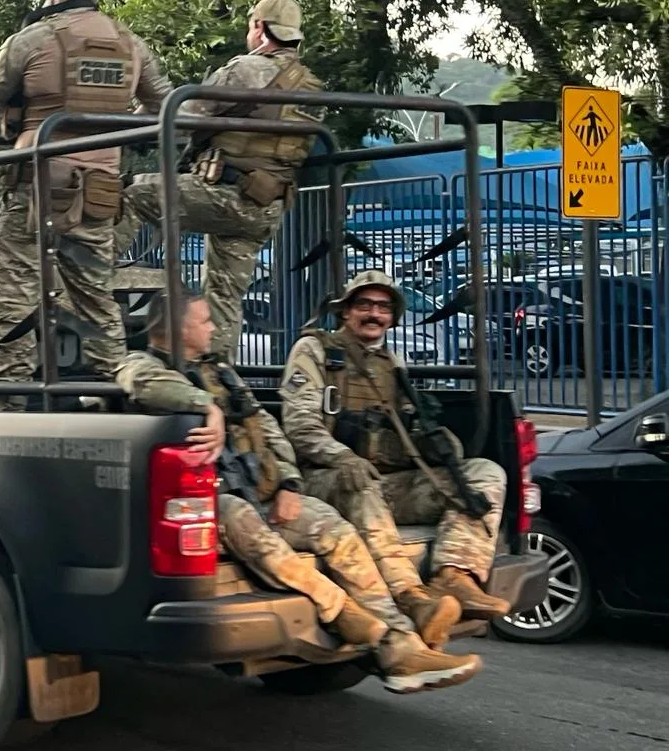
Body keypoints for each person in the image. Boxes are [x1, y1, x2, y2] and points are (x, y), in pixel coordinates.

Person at [117, 289, 482, 693]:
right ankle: (348, 615)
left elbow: (267, 427)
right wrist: (207, 406)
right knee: (240, 517)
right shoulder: (142, 365)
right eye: (205, 320)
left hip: (263, 488)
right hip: (209, 502)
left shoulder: (220, 370)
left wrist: (290, 482)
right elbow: (142, 383)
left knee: (335, 530)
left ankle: (402, 646)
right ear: (176, 327)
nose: (213, 328)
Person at [0, 0, 173, 408]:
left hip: (36, 192)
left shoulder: (30, 40)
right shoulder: (130, 44)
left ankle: (13, 405)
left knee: (16, 294)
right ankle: (122, 397)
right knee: (98, 303)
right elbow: (163, 107)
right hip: (100, 193)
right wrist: (117, 126)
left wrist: (22, 114)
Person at [280, 270, 513, 637]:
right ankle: (412, 598)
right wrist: (341, 456)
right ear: (346, 311)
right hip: (323, 480)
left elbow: (407, 425)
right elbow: (300, 425)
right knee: (360, 480)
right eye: (364, 305)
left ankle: (454, 575)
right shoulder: (316, 351)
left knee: (484, 472)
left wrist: (434, 443)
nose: (374, 314)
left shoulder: (393, 363)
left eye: (383, 307)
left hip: (389, 482)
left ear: (393, 316)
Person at [112, 0, 323, 363]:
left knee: (133, 192)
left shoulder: (246, 69)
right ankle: (220, 382)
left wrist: (135, 119)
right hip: (266, 208)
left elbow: (183, 115)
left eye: (251, 24)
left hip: (226, 195)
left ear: (260, 29)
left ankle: (94, 274)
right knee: (223, 299)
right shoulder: (312, 88)